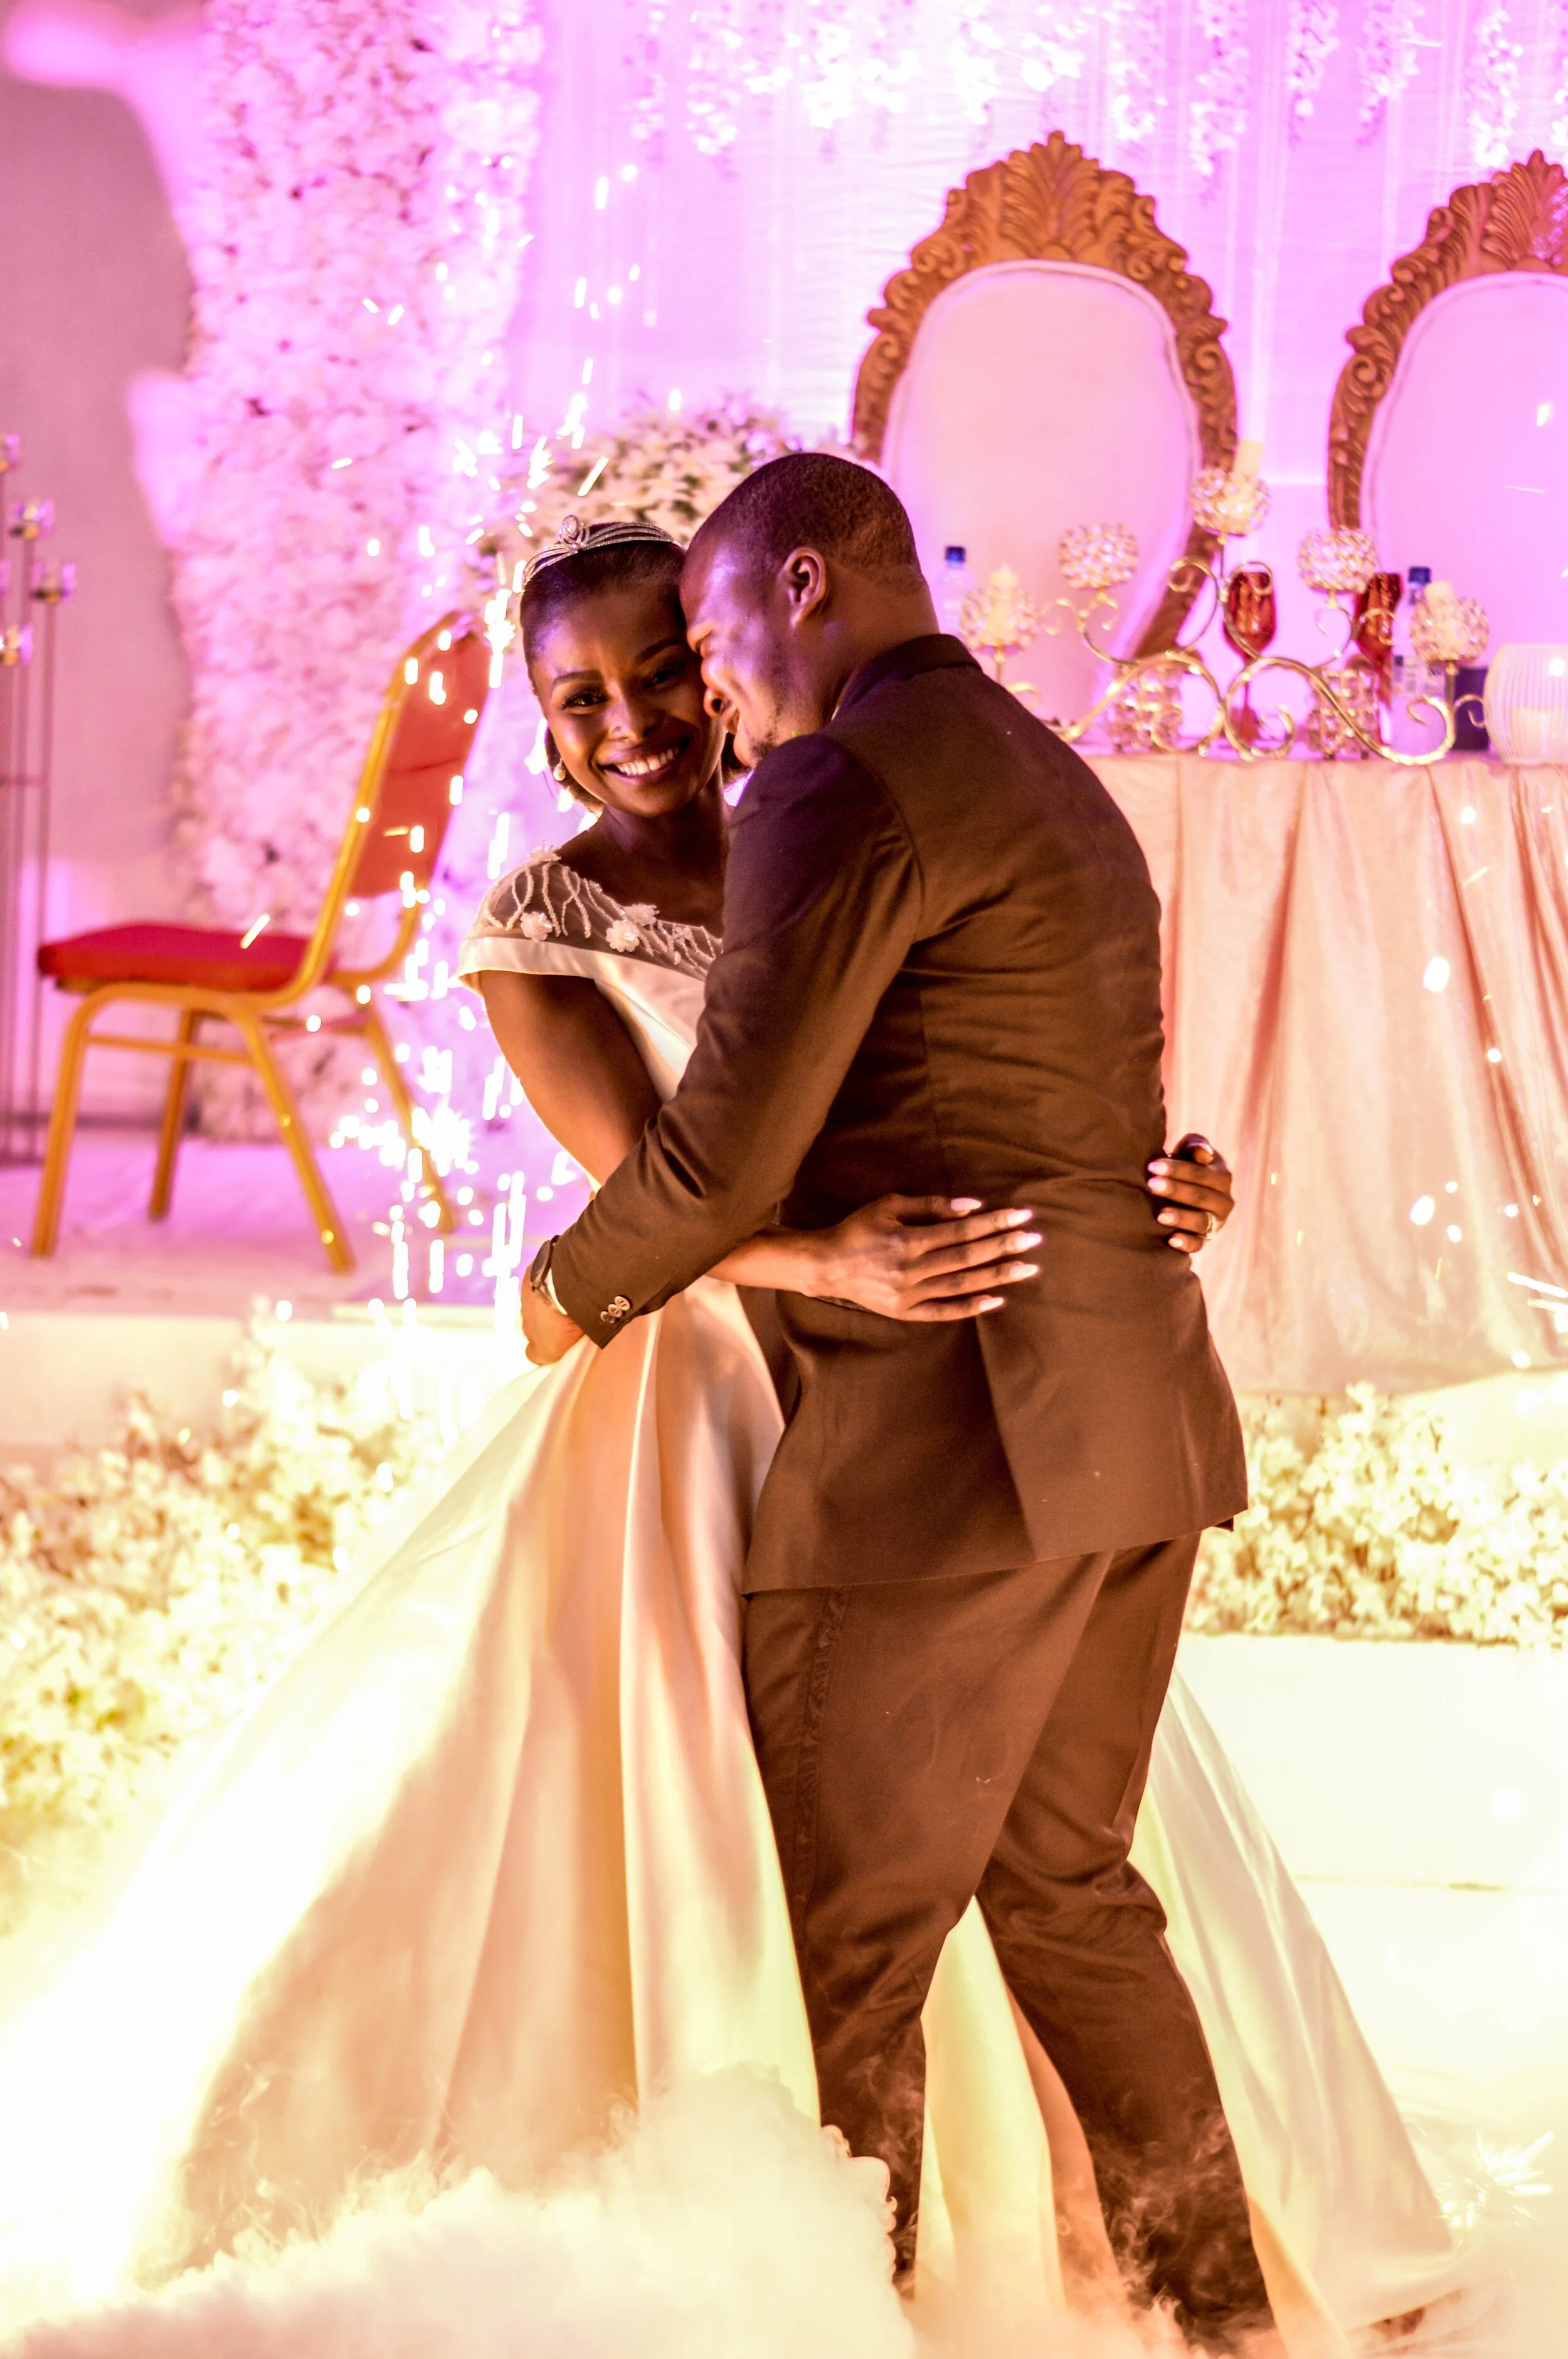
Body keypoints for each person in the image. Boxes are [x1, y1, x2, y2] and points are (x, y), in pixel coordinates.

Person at [0, 512, 1460, 2359]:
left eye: (659, 668)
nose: (631, 720)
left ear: (733, 649)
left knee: (963, 1889)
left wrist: (1135, 1180)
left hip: (933, 1407)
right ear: (542, 729)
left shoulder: (838, 802)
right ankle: (866, 2283)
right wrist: (774, 1264)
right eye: (579, 698)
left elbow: (997, 1065)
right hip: (727, 1378)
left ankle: (1070, 2288)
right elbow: (662, 1182)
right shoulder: (573, 909)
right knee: (781, 1859)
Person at [513, 474, 1462, 2346]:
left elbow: (716, 1160)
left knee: (844, 1952)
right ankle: (1220, 2322)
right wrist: (1151, 1186)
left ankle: (840, 2337)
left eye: (711, 651)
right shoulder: (1044, 767)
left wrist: (556, 1294)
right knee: (1070, 1892)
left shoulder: (838, 779)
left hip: (952, 1440)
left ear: (803, 585)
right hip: (1130, 1421)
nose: (715, 702)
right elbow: (1051, 1081)